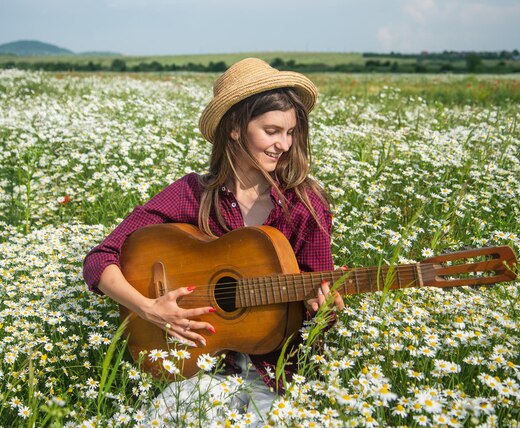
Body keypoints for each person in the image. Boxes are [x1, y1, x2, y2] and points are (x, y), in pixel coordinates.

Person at [83, 58, 344, 423]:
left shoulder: (305, 206)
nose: (283, 144)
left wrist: (324, 311)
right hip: (202, 367)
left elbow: (321, 303)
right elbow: (100, 257)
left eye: (291, 133)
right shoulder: (193, 193)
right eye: (272, 131)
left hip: (276, 377)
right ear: (235, 128)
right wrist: (148, 308)